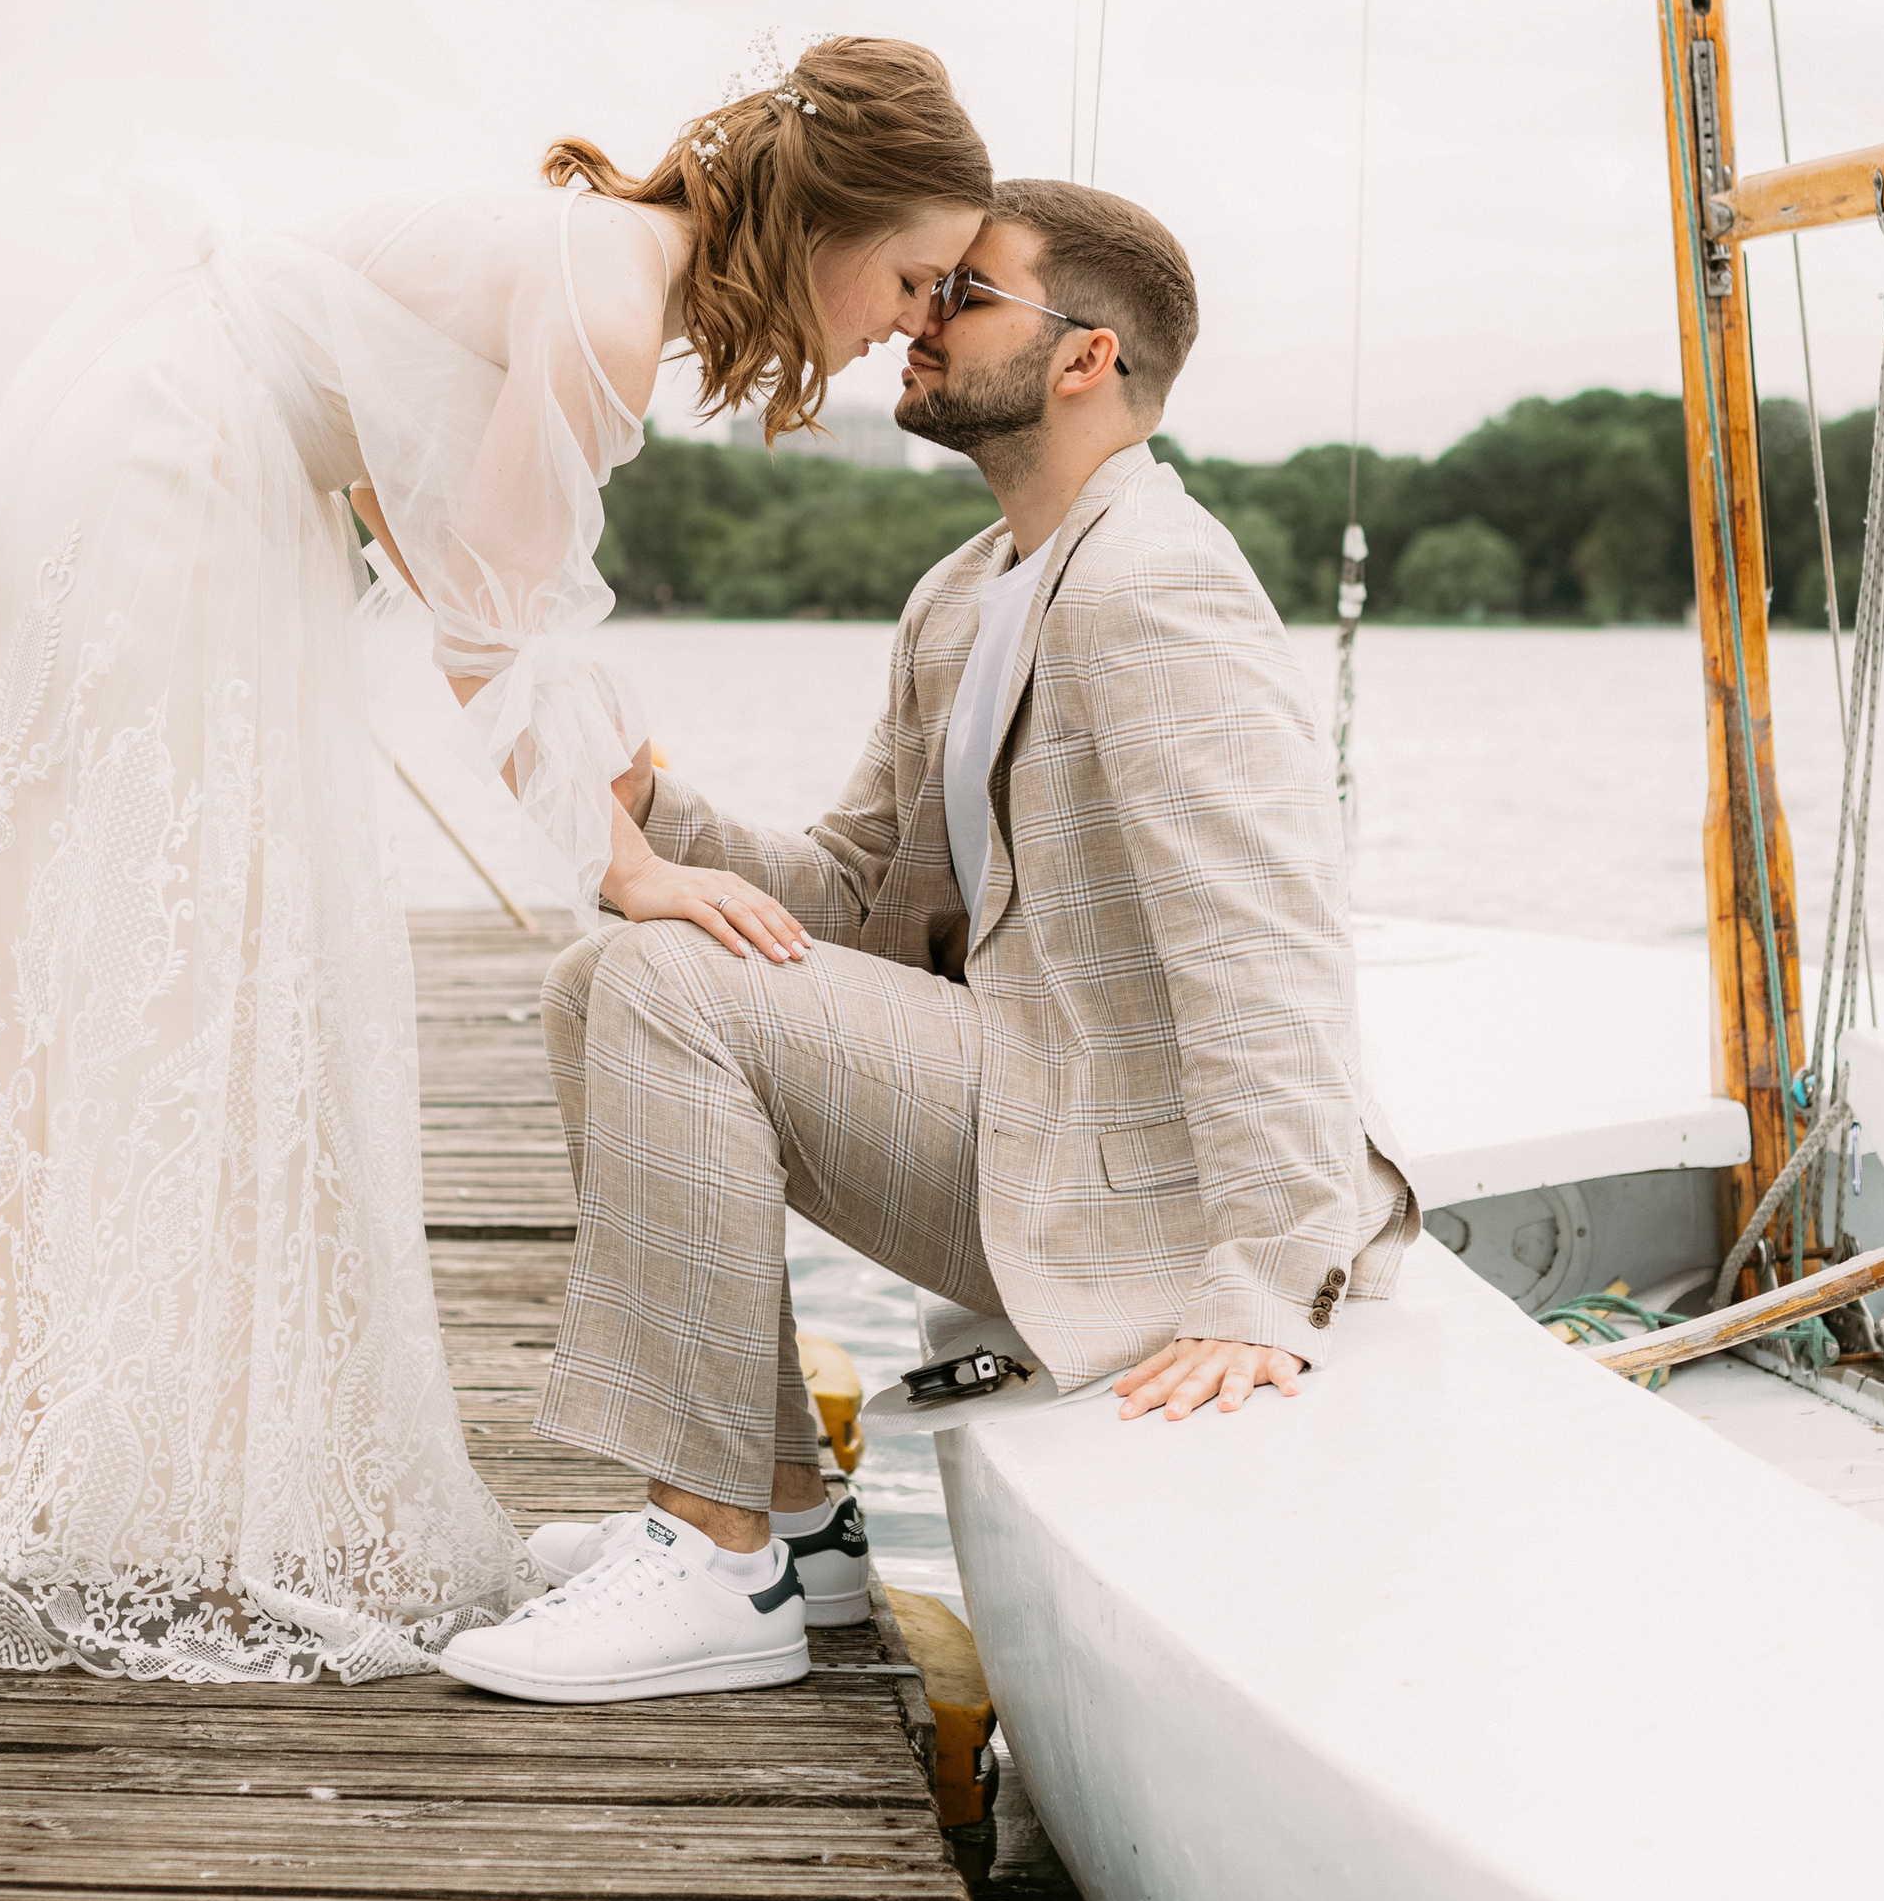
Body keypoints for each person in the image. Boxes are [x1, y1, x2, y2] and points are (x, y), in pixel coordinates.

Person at [0, 42, 990, 1684]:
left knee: (167, 944)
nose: (913, 318)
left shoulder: (615, 265)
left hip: (189, 453)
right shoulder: (616, 301)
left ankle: (92, 1450)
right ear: (822, 221)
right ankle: (105, 1471)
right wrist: (629, 871)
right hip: (174, 481)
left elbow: (446, 547)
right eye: (911, 276)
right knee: (179, 951)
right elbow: (481, 625)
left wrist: (616, 773)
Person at [439, 175, 1415, 1707]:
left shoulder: (1159, 587)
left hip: (1142, 1189)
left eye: (965, 295)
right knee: (604, 976)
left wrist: (1266, 1283)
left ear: (1086, 357)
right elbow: (855, 897)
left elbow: (1268, 946)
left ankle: (717, 1569)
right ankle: (791, 1523)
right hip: (1027, 1114)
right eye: (925, 287)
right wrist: (651, 809)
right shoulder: (967, 592)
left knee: (656, 984)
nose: (918, 317)